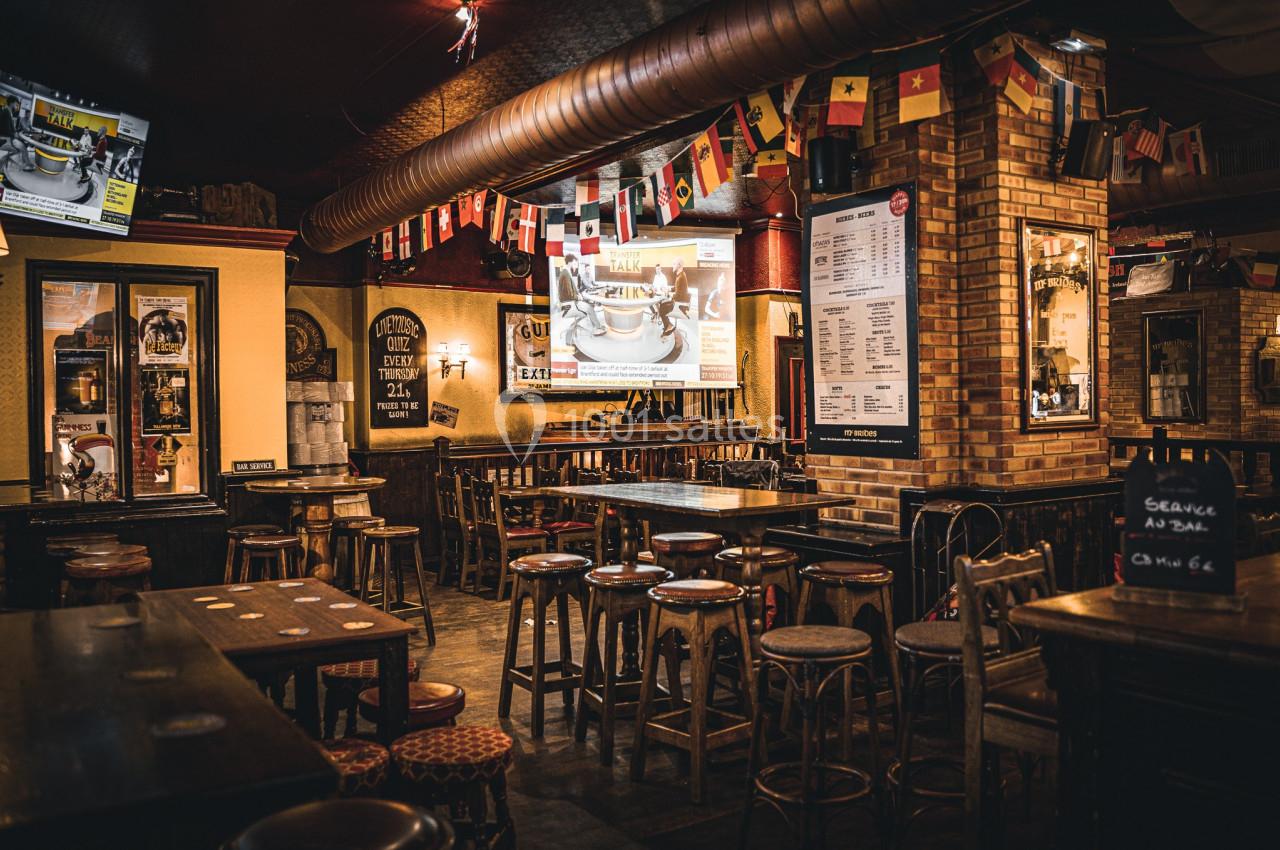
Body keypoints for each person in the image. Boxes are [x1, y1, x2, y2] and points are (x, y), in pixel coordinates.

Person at [556, 254, 605, 337]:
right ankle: (597, 328)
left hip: (569, 303)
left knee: (589, 306)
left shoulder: (566, 272)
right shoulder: (565, 274)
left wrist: (578, 295)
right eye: (575, 263)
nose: (577, 266)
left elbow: (570, 291)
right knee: (590, 308)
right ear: (570, 263)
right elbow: (569, 294)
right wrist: (578, 297)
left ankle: (598, 326)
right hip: (569, 305)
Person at [0, 96, 35, 172]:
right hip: (4, 139)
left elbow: (10, 129)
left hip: (8, 138)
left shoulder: (8, 112)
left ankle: (25, 164)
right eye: (16, 104)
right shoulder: (6, 112)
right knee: (22, 147)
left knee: (22, 146)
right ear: (12, 103)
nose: (17, 106)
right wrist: (15, 135)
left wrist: (16, 134)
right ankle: (26, 165)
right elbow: (6, 130)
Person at [652, 264, 676, 337]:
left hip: (662, 295)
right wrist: (654, 288)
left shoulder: (663, 277)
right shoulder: (655, 276)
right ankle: (657, 314)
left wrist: (662, 290)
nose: (657, 270)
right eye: (656, 269)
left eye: (658, 269)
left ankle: (659, 316)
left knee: (659, 306)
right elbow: (654, 286)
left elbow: (665, 288)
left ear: (661, 269)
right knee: (651, 302)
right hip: (656, 294)